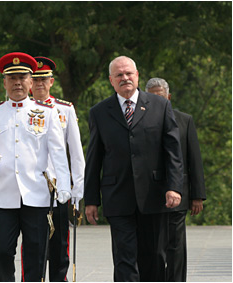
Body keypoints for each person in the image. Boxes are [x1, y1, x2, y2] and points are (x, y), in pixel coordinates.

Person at [83, 56, 184, 281]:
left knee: (154, 257)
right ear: (111, 80)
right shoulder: (100, 112)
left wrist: (174, 187)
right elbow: (94, 158)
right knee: (124, 257)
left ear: (137, 76)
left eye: (129, 73)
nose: (125, 78)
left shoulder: (160, 106)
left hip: (154, 196)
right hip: (117, 196)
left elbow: (173, 152)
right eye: (119, 75)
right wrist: (90, 199)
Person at [0, 52, 72, 282]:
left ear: (30, 81)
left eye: (22, 77)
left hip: (36, 194)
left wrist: (65, 187)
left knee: (36, 254)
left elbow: (58, 153)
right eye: (12, 78)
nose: (17, 82)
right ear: (5, 82)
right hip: (2, 194)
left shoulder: (47, 114)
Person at [146, 77, 207, 282]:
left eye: (161, 98)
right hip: (151, 194)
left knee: (176, 246)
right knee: (155, 247)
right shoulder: (139, 121)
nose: (157, 102)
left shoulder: (184, 120)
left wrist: (197, 195)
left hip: (178, 192)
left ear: (168, 98)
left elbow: (194, 159)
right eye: (152, 98)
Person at [30, 56, 85, 282]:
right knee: (33, 244)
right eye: (35, 80)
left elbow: (76, 152)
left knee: (60, 243)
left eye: (44, 80)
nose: (39, 84)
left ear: (52, 81)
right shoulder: (23, 110)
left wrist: (77, 191)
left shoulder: (65, 109)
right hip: (33, 186)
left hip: (59, 187)